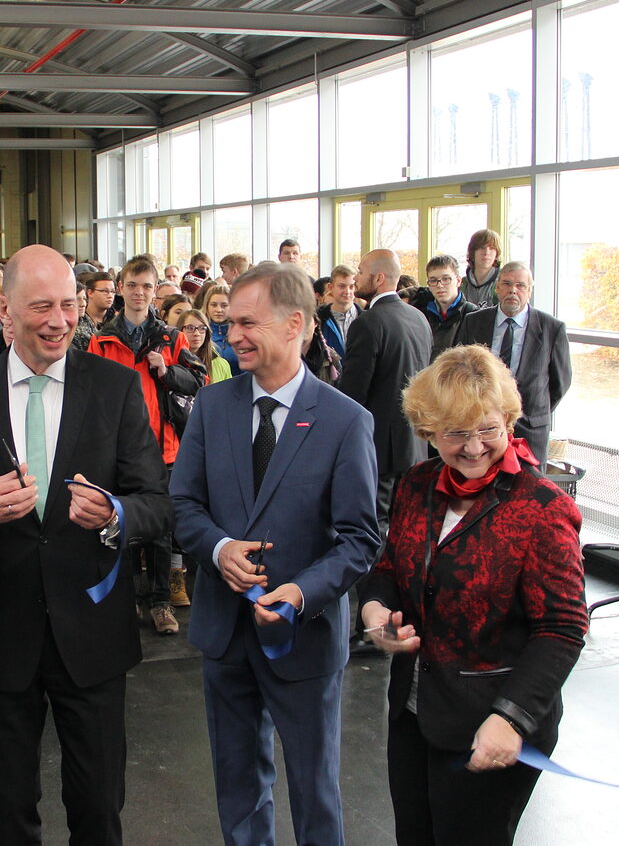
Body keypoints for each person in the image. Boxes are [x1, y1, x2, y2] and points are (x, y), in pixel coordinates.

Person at [0, 244, 173, 846]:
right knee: (9, 813)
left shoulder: (115, 387)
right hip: (0, 633)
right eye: (41, 307)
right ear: (3, 308)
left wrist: (115, 514)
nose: (59, 321)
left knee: (100, 808)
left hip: (94, 634)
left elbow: (157, 504)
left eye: (69, 305)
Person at [170, 261, 379, 846]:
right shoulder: (212, 408)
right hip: (224, 634)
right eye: (229, 322)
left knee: (315, 790)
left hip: (303, 639)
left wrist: (303, 592)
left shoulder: (345, 422)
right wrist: (218, 550)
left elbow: (361, 539)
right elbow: (183, 505)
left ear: (295, 325)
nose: (231, 335)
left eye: (246, 323)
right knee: (237, 783)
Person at [358, 345, 588, 846]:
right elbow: (389, 568)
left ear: (509, 419)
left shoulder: (542, 508)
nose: (475, 446)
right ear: (428, 430)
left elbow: (564, 628)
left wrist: (511, 717)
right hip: (415, 714)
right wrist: (376, 610)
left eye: (488, 428)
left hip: (494, 723)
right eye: (456, 433)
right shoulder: (415, 486)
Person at [87, 257, 206, 636]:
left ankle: (158, 603)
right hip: (116, 448)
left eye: (146, 286)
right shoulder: (100, 339)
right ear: (120, 288)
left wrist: (166, 370)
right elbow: (88, 395)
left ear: (156, 292)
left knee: (158, 530)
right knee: (115, 526)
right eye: (132, 285)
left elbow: (197, 381)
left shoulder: (171, 338)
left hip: (161, 448)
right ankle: (121, 603)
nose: (139, 293)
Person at [338, 249, 432, 533]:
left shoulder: (368, 322)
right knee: (409, 528)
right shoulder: (419, 319)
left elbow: (354, 395)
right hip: (415, 445)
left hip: (378, 447)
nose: (356, 277)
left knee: (375, 528)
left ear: (378, 278)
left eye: (361, 272)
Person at [454, 262, 572, 464]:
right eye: (507, 284)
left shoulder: (552, 328)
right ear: (497, 287)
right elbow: (460, 372)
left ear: (529, 290)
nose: (513, 290)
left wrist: (534, 411)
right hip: (480, 429)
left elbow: (560, 384)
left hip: (530, 431)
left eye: (520, 285)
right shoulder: (473, 322)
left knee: (528, 493)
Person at [410, 254, 474, 358]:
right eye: (433, 280)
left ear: (458, 281)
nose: (440, 285)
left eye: (446, 279)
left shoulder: (472, 314)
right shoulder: (421, 314)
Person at [177, 308, 230, 386]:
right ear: (180, 330)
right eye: (190, 328)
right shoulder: (171, 362)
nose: (197, 333)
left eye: (202, 328)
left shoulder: (220, 364)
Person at [316, 264, 359, 358]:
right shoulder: (318, 319)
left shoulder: (366, 319)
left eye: (351, 286)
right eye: (342, 286)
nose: (347, 291)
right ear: (331, 287)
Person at [199, 282, 238, 375]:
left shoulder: (241, 332)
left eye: (224, 305)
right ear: (207, 306)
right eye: (214, 305)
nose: (219, 310)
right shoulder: (199, 332)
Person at [461, 229, 502, 309]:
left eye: (492, 248)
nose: (486, 252)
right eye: (481, 248)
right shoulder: (461, 284)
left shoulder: (502, 283)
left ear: (497, 253)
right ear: (472, 252)